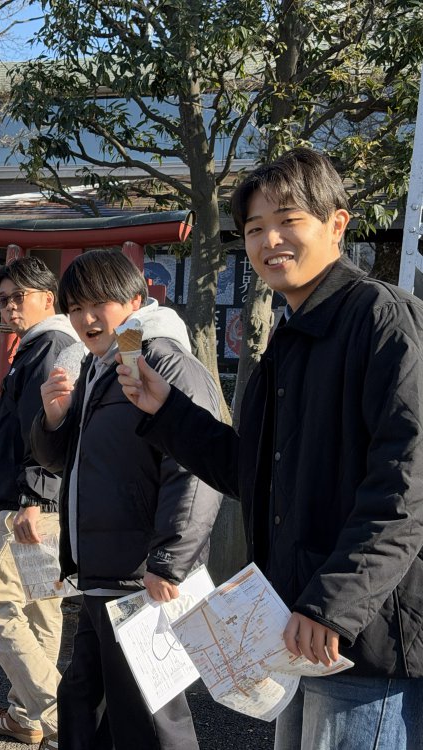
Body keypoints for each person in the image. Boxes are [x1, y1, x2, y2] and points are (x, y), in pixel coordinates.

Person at [117, 147, 423, 749]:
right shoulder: (287, 339)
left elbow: (406, 486)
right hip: (296, 627)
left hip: (363, 641)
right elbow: (252, 473)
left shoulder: (383, 320)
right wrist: (168, 410)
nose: (270, 240)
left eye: (289, 220)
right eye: (255, 228)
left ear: (337, 224)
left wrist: (332, 605)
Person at [31, 248, 222, 750]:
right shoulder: (99, 365)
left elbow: (194, 468)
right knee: (83, 702)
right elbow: (62, 462)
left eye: (99, 303)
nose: (86, 319)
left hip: (141, 578)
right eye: (75, 307)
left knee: (149, 720)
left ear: (136, 300)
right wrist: (54, 418)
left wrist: (169, 560)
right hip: (102, 573)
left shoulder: (162, 360)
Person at [0, 256, 79, 746]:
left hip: (29, 505)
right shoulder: (38, 347)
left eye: (18, 297)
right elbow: (11, 434)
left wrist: (33, 496)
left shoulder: (51, 347)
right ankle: (27, 716)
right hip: (38, 501)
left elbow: (53, 432)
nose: (9, 307)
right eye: (3, 299)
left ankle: (61, 717)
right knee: (40, 610)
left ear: (48, 297)